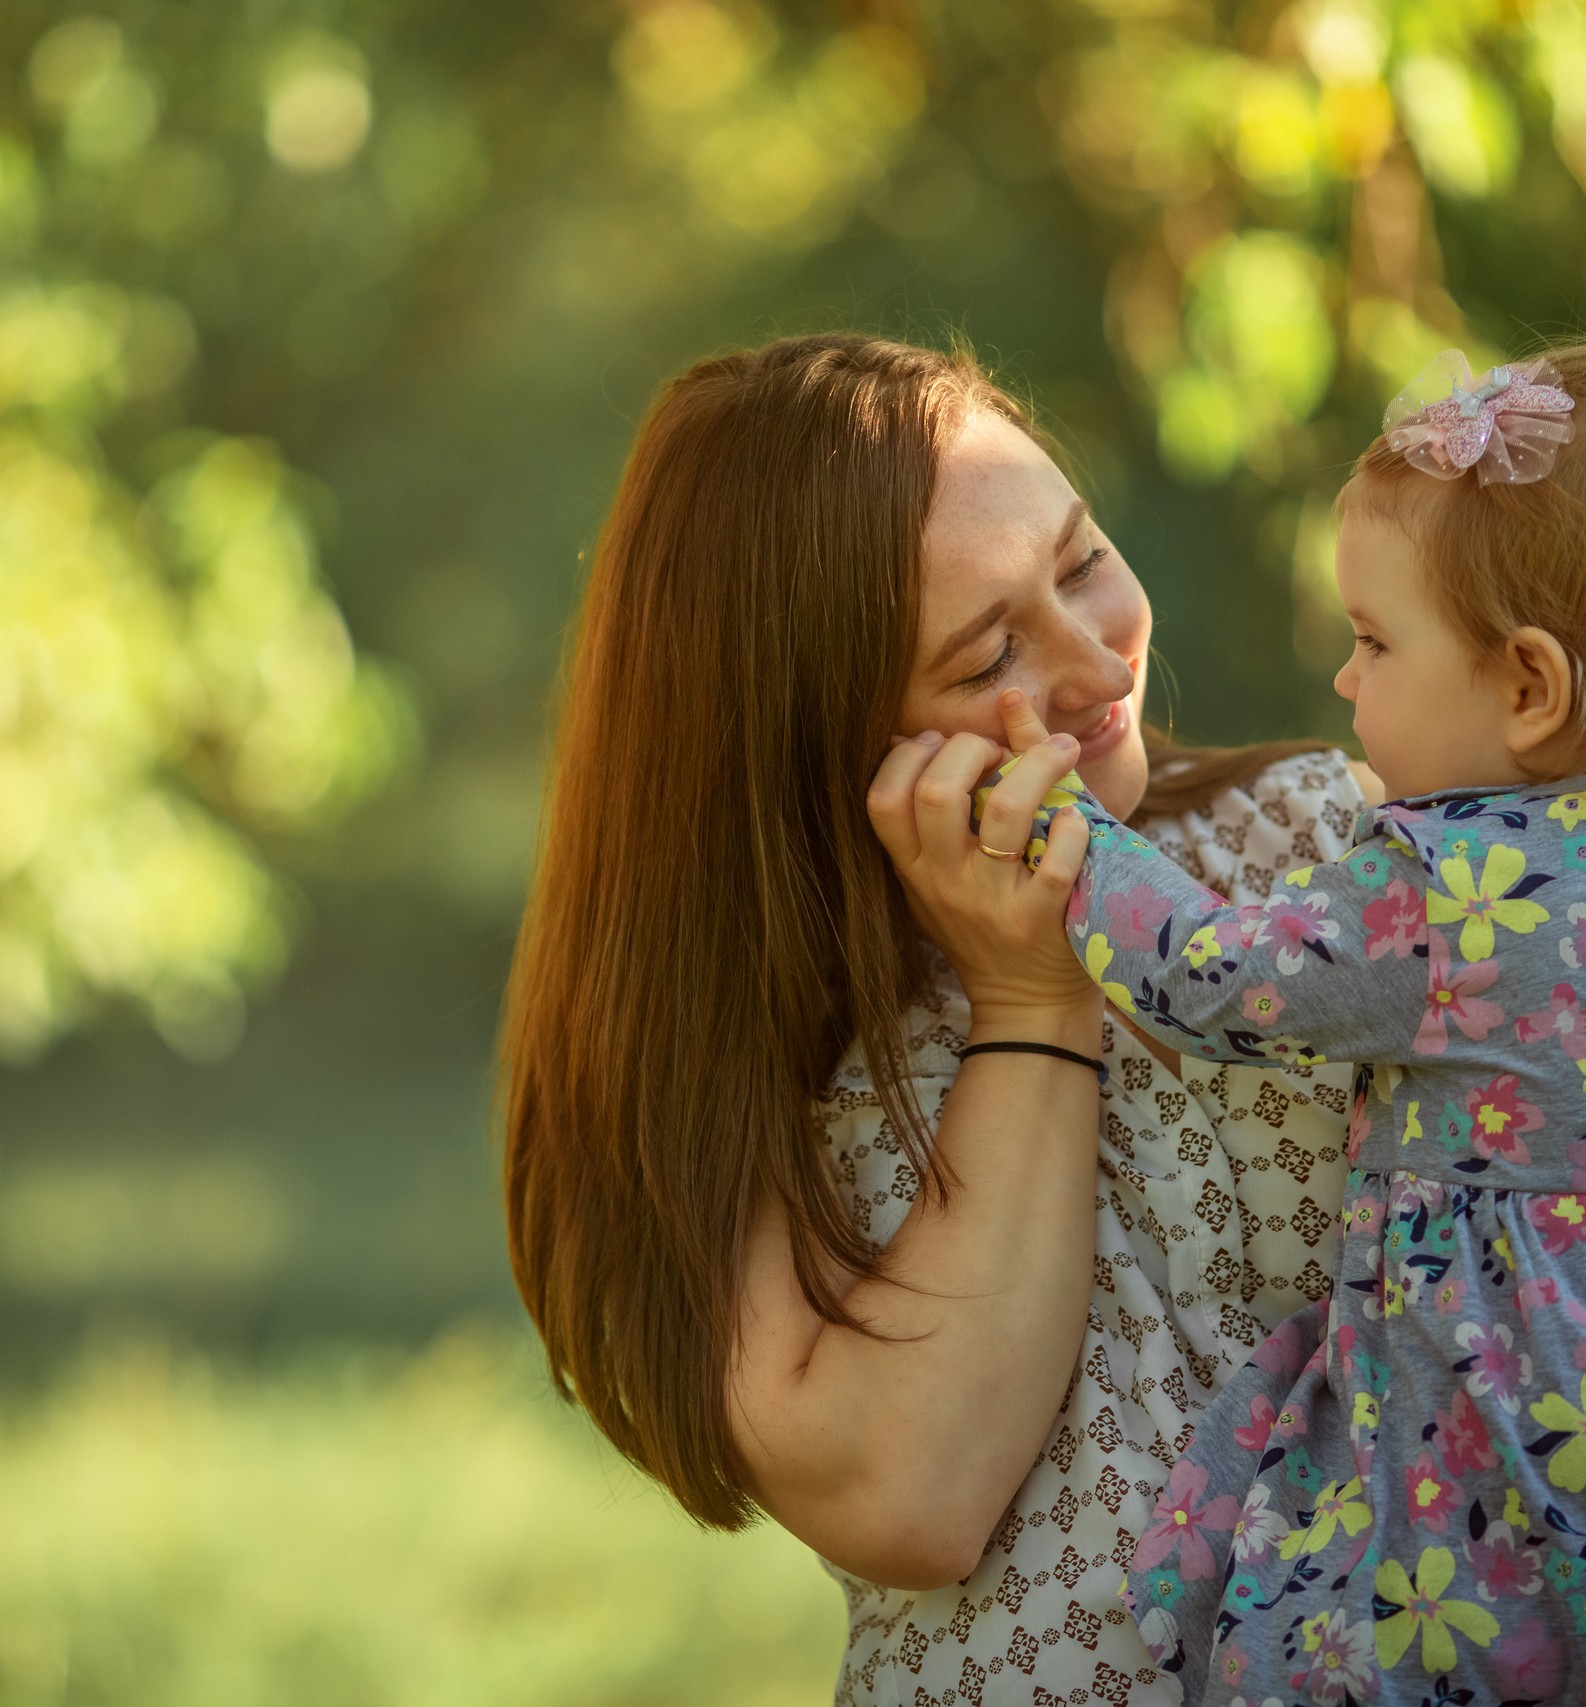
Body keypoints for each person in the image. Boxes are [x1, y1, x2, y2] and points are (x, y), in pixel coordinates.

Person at [1016, 340, 1586, 1703]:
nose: (1344, 681)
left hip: (1513, 1498)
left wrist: (1067, 833)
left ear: (1529, 689)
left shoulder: (1449, 886)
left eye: (1374, 642)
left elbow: (1210, 977)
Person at [503, 333, 1385, 1700]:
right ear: (821, 745)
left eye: (1082, 564)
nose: (1100, 668)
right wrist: (1032, 999)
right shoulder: (740, 1078)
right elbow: (911, 1500)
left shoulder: (1321, 851)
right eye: (989, 658)